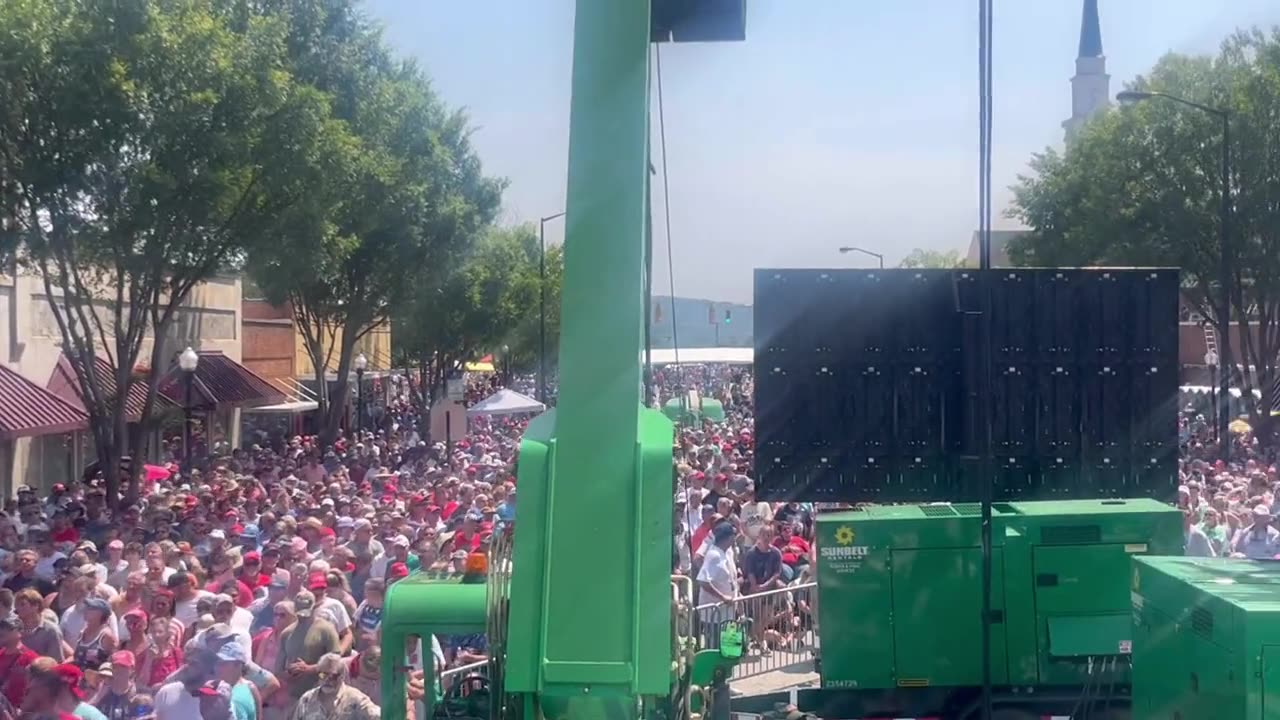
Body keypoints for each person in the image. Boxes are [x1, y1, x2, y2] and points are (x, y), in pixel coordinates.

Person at [273, 592, 338, 714]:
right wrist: (290, 673)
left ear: (314, 607)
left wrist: (310, 669)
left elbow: (336, 661)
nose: (303, 616)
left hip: (322, 694)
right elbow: (278, 670)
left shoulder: (326, 629)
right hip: (295, 697)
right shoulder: (287, 634)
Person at [286, 653, 378, 720]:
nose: (327, 680)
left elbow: (377, 715)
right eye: (323, 675)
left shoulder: (355, 698)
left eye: (332, 676)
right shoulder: (307, 699)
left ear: (342, 676)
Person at [0, 614, 37, 710]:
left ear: (20, 632)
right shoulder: (1, 654)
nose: (2, 631)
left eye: (8, 628)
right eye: (1, 627)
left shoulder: (30, 658)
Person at [90, 651, 138, 720]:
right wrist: (98, 696)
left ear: (132, 669)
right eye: (115, 667)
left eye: (123, 666)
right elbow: (86, 713)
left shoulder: (138, 694)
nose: (119, 670)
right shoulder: (103, 691)